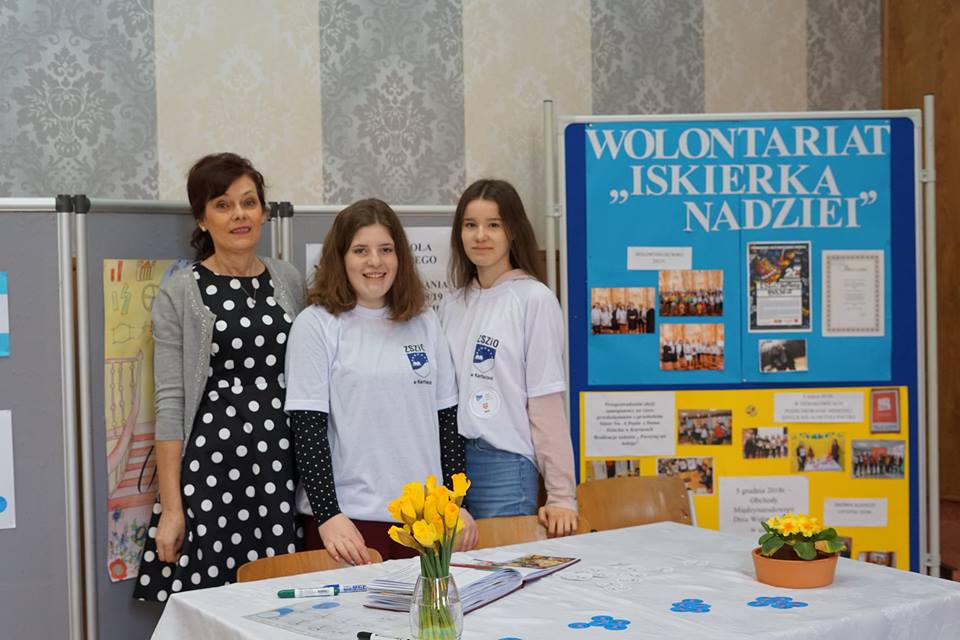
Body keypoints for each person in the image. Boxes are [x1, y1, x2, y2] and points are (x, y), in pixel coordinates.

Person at [134, 153, 305, 602]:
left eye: (249, 202)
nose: (239, 215)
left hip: (282, 465)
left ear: (264, 212)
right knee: (214, 602)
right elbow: (170, 405)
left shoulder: (289, 280)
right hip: (213, 470)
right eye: (223, 205)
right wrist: (172, 510)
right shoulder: (181, 291)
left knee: (281, 600)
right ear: (202, 219)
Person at [284, 199, 478, 564]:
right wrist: (328, 515)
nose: (375, 261)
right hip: (349, 525)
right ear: (340, 258)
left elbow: (447, 423)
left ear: (400, 257)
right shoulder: (316, 324)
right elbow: (307, 429)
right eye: (361, 250)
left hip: (425, 521)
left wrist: (456, 504)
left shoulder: (424, 321)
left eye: (386, 250)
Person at [439, 179, 578, 537]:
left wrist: (562, 495)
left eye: (493, 225)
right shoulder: (451, 305)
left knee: (502, 568)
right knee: (455, 570)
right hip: (449, 466)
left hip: (504, 464)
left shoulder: (534, 299)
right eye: (470, 225)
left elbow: (546, 403)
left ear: (513, 231)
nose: (480, 236)